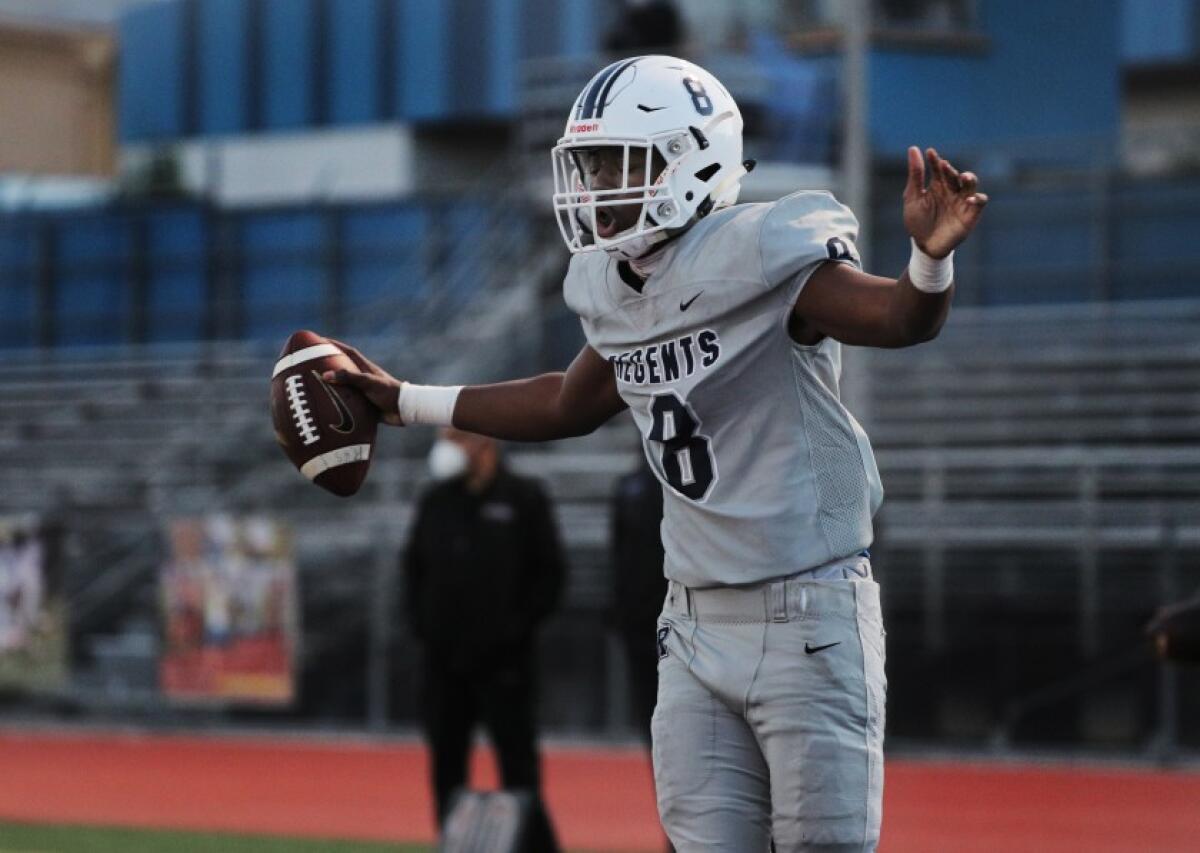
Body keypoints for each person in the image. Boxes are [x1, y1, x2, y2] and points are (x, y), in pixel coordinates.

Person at [329, 55, 987, 852]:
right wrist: (405, 400)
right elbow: (568, 401)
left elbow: (899, 319)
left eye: (618, 163)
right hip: (692, 620)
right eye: (591, 164)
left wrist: (929, 261)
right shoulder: (615, 287)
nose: (598, 186)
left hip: (808, 611)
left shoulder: (761, 247)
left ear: (693, 159)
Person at [403, 428, 566, 850]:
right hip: (444, 664)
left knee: (519, 770)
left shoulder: (524, 497)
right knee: (446, 767)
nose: (446, 447)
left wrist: (513, 631)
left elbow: (549, 576)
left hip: (505, 665)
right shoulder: (436, 500)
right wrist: (425, 629)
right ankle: (452, 842)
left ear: (483, 441)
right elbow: (413, 571)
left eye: (455, 437)